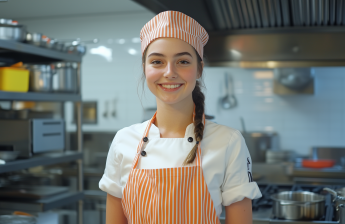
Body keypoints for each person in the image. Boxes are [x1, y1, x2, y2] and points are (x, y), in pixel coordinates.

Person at [99, 10, 262, 224]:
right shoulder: (123, 141)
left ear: (199, 69)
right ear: (145, 68)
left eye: (183, 61)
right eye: (157, 62)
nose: (169, 72)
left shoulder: (229, 142)